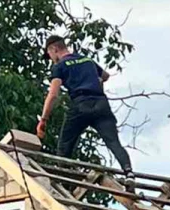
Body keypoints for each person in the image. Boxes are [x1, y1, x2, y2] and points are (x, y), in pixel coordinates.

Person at [37, 35, 134, 176]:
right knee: (113, 142)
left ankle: (64, 180)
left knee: (64, 146)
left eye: (49, 54)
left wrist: (43, 120)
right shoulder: (87, 60)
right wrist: (96, 82)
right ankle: (128, 172)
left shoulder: (60, 66)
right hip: (101, 103)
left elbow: (53, 95)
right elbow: (105, 76)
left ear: (54, 49)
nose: (51, 59)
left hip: (80, 104)